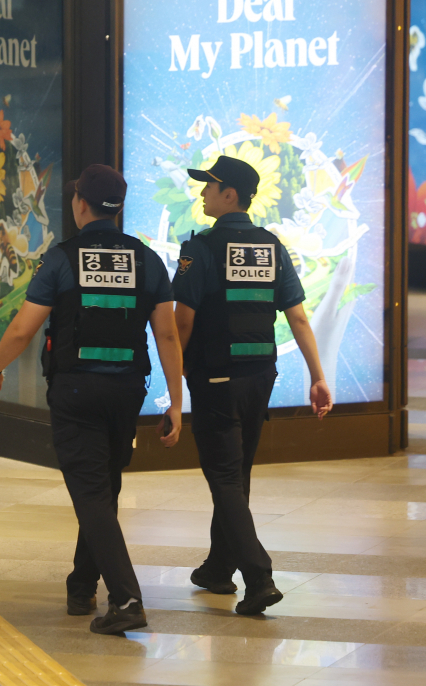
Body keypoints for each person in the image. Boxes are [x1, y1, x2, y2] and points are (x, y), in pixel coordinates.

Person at [0, 165, 184, 635]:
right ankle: (81, 585)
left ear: (80, 205)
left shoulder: (62, 259)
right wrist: (175, 401)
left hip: (76, 391)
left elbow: (22, 328)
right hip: (126, 390)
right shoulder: (146, 259)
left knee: (92, 493)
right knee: (104, 488)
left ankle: (127, 598)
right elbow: (168, 333)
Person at [173, 154, 334, 616]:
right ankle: (218, 567)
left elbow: (182, 320)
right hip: (260, 375)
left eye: (210, 186)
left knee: (223, 474)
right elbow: (297, 315)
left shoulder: (200, 248)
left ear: (231, 196)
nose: (203, 193)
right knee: (236, 472)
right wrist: (318, 376)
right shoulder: (270, 246)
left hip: (216, 376)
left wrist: (175, 375)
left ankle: (258, 578)